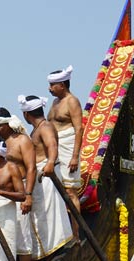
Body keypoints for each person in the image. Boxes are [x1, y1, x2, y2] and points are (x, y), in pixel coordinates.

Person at [18, 94, 74, 261]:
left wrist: (50, 162)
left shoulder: (45, 127)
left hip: (47, 177)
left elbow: (52, 145)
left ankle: (54, 253)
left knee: (49, 216)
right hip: (39, 177)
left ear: (26, 114)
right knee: (41, 217)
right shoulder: (36, 129)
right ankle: (46, 254)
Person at [0, 106, 36, 261]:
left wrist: (28, 196)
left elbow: (32, 168)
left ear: (7, 124)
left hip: (20, 191)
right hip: (0, 196)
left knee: (23, 236)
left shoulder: (21, 141)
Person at [47, 65, 83, 240]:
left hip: (69, 147)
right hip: (53, 148)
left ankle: (76, 233)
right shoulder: (54, 102)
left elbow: (79, 129)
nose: (49, 88)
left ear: (62, 84)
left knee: (70, 191)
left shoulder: (72, 101)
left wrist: (75, 156)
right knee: (54, 190)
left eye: (53, 85)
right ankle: (61, 233)